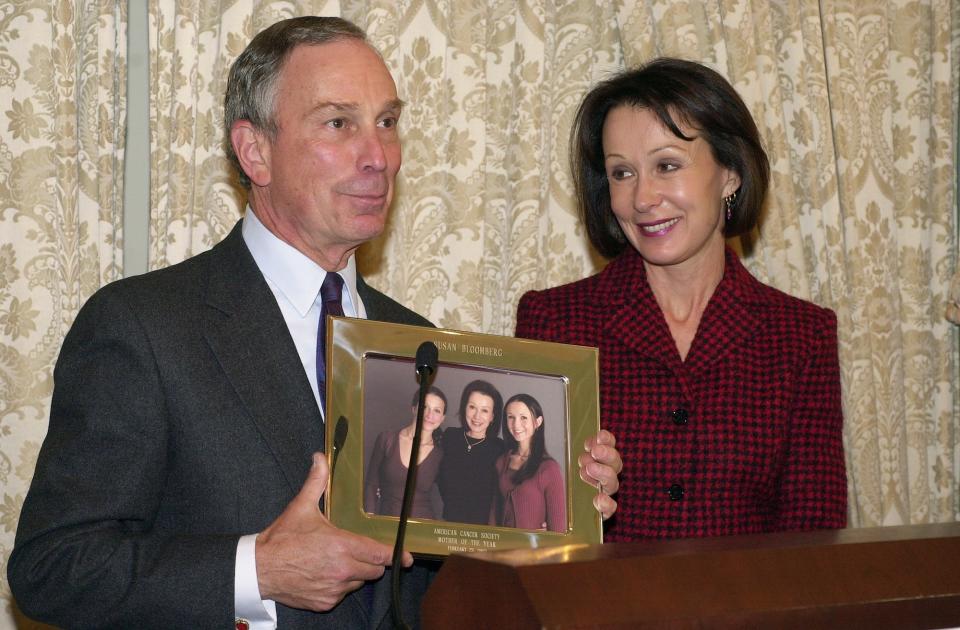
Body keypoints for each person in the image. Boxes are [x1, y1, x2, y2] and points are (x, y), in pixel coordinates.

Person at [8, 16, 622, 630]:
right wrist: (256, 572)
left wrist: (546, 500)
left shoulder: (419, 344)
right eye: (338, 123)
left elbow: (434, 578)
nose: (378, 157)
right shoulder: (145, 326)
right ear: (255, 151)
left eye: (387, 123)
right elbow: (54, 567)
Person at [515, 58, 847, 542]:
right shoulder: (554, 322)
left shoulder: (801, 335)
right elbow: (522, 520)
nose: (643, 197)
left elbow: (813, 542)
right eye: (621, 173)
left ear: (730, 172)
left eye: (667, 165)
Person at [365, 387, 447, 518]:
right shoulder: (387, 439)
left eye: (436, 411)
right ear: (414, 409)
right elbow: (371, 484)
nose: (429, 415)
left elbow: (454, 493)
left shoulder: (440, 455)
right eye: (424, 407)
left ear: (442, 418)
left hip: (423, 527)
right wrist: (370, 520)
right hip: (386, 524)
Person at [490, 394, 566, 532]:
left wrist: (547, 537)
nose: (516, 424)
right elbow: (493, 515)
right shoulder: (501, 462)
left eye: (523, 417)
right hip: (504, 549)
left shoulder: (549, 469)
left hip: (535, 551)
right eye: (511, 417)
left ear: (537, 422)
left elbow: (558, 529)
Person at [436, 380, 506, 524]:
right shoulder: (449, 437)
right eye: (472, 407)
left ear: (492, 416)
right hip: (448, 526)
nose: (477, 416)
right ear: (464, 408)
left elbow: (515, 491)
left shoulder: (500, 449)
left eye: (485, 410)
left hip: (485, 532)